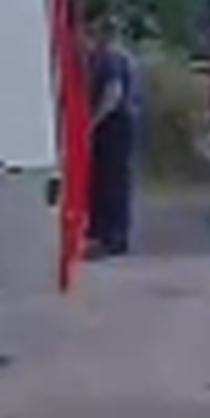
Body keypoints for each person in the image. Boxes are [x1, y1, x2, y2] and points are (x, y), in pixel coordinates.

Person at [86, 14, 140, 258]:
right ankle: (110, 234)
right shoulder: (124, 56)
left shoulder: (111, 57)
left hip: (114, 124)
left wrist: (93, 121)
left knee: (111, 180)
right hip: (123, 122)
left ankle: (112, 238)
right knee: (114, 179)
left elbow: (113, 93)